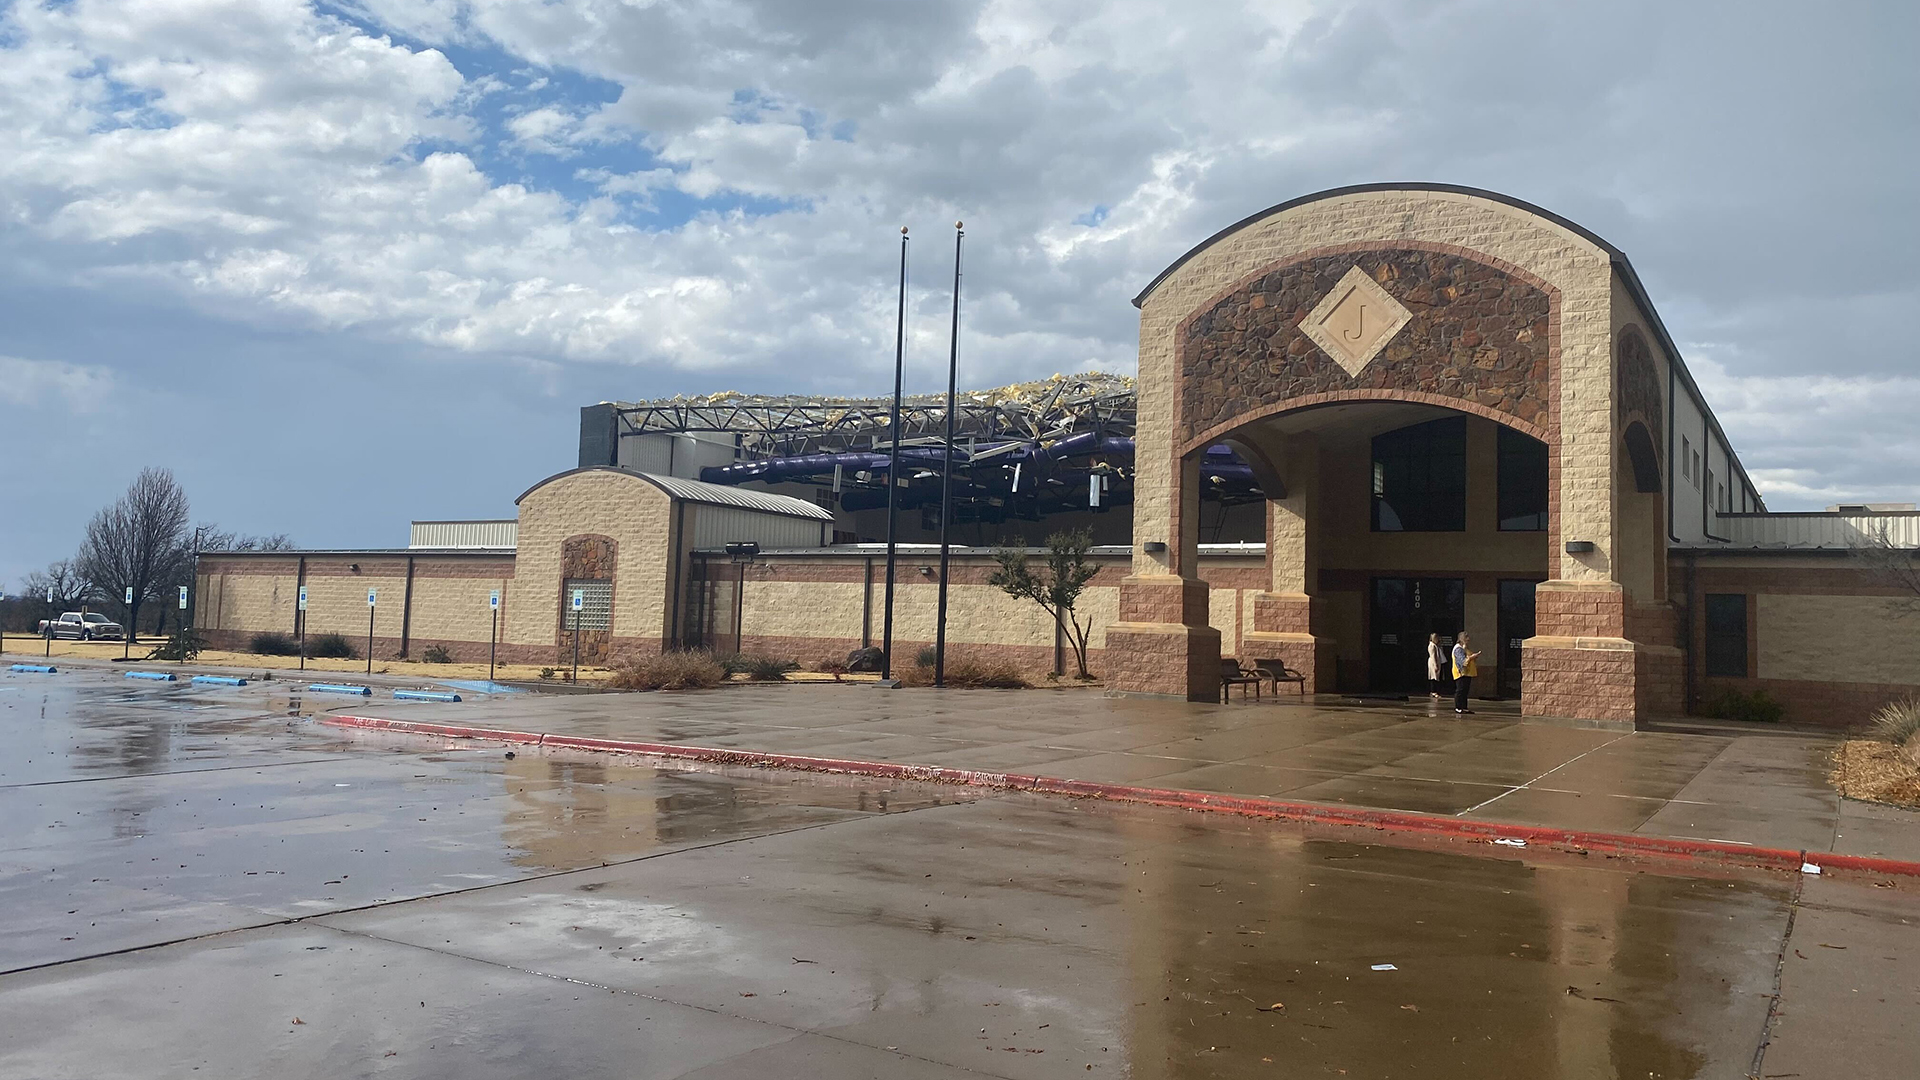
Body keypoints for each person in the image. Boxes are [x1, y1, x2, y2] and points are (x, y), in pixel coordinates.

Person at [1451, 632, 1481, 715]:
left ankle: (1464, 707)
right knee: (1460, 690)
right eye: (1466, 638)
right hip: (1461, 673)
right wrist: (1472, 657)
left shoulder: (1464, 648)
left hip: (1467, 673)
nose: (1468, 640)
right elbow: (1462, 661)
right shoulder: (1458, 649)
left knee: (1465, 691)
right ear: (1462, 639)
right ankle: (1458, 707)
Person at [1426, 633, 1445, 699]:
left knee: (1436, 677)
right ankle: (1433, 691)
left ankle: (1435, 691)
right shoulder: (1432, 646)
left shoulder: (1435, 645)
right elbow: (1433, 656)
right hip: (1433, 663)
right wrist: (1435, 665)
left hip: (1437, 662)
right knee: (1434, 677)